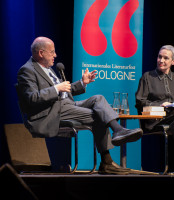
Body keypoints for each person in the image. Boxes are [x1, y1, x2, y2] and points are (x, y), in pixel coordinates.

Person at [17, 36, 143, 175]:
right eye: (52, 52)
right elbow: (32, 98)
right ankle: (107, 162)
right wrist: (56, 89)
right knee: (97, 115)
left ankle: (118, 130)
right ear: (41, 53)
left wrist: (82, 83)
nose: (55, 55)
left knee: (98, 98)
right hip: (51, 112)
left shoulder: (48, 68)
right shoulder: (27, 70)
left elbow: (65, 90)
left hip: (66, 105)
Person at [135, 45, 174, 175]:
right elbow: (140, 102)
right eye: (160, 57)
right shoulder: (147, 77)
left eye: (166, 58)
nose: (161, 60)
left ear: (173, 61)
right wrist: (160, 104)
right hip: (155, 120)